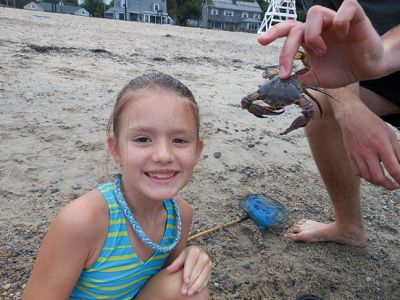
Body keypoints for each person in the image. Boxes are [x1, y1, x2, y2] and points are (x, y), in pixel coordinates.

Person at [22, 72, 211, 299]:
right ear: (116, 150)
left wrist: (192, 256)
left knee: (187, 285)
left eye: (179, 140)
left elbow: (165, 280)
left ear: (197, 151)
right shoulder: (82, 221)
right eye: (142, 139)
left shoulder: (181, 214)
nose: (163, 155)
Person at [258, 0, 400, 247]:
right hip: (377, 87)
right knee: (320, 105)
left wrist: (384, 53)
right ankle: (349, 227)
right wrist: (351, 111)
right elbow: (322, 52)